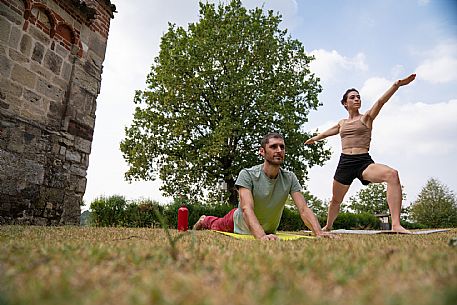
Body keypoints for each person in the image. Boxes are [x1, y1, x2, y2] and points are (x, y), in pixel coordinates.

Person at [304, 73, 416, 233]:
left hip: (363, 162)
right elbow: (330, 132)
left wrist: (396, 84)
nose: (357, 99)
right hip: (345, 163)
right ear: (345, 103)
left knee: (392, 174)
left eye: (358, 97)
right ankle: (328, 226)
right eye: (352, 97)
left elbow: (380, 102)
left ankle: (396, 224)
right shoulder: (342, 123)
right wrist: (315, 138)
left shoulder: (366, 118)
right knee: (336, 200)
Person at [193, 132, 332, 240]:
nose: (279, 150)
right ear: (262, 151)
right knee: (215, 224)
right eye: (273, 146)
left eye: (282, 147)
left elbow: (303, 208)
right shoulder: (247, 174)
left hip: (267, 229)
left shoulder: (290, 177)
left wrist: (318, 232)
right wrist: (261, 236)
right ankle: (204, 219)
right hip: (238, 222)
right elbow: (247, 208)